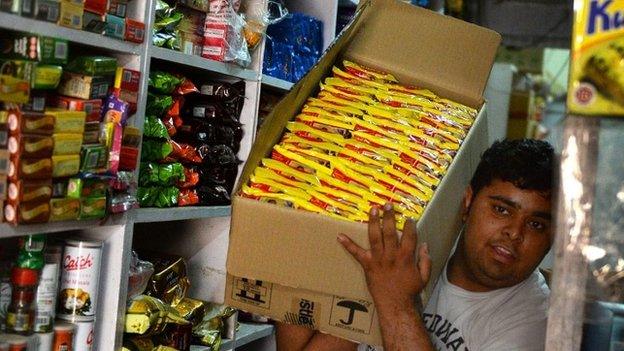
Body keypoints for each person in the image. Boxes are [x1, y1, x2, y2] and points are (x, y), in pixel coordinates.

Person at [276, 139, 555, 351]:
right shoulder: (428, 238)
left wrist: (394, 300)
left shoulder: (533, 324)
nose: (514, 233)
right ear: (468, 202)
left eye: (536, 225)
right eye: (502, 210)